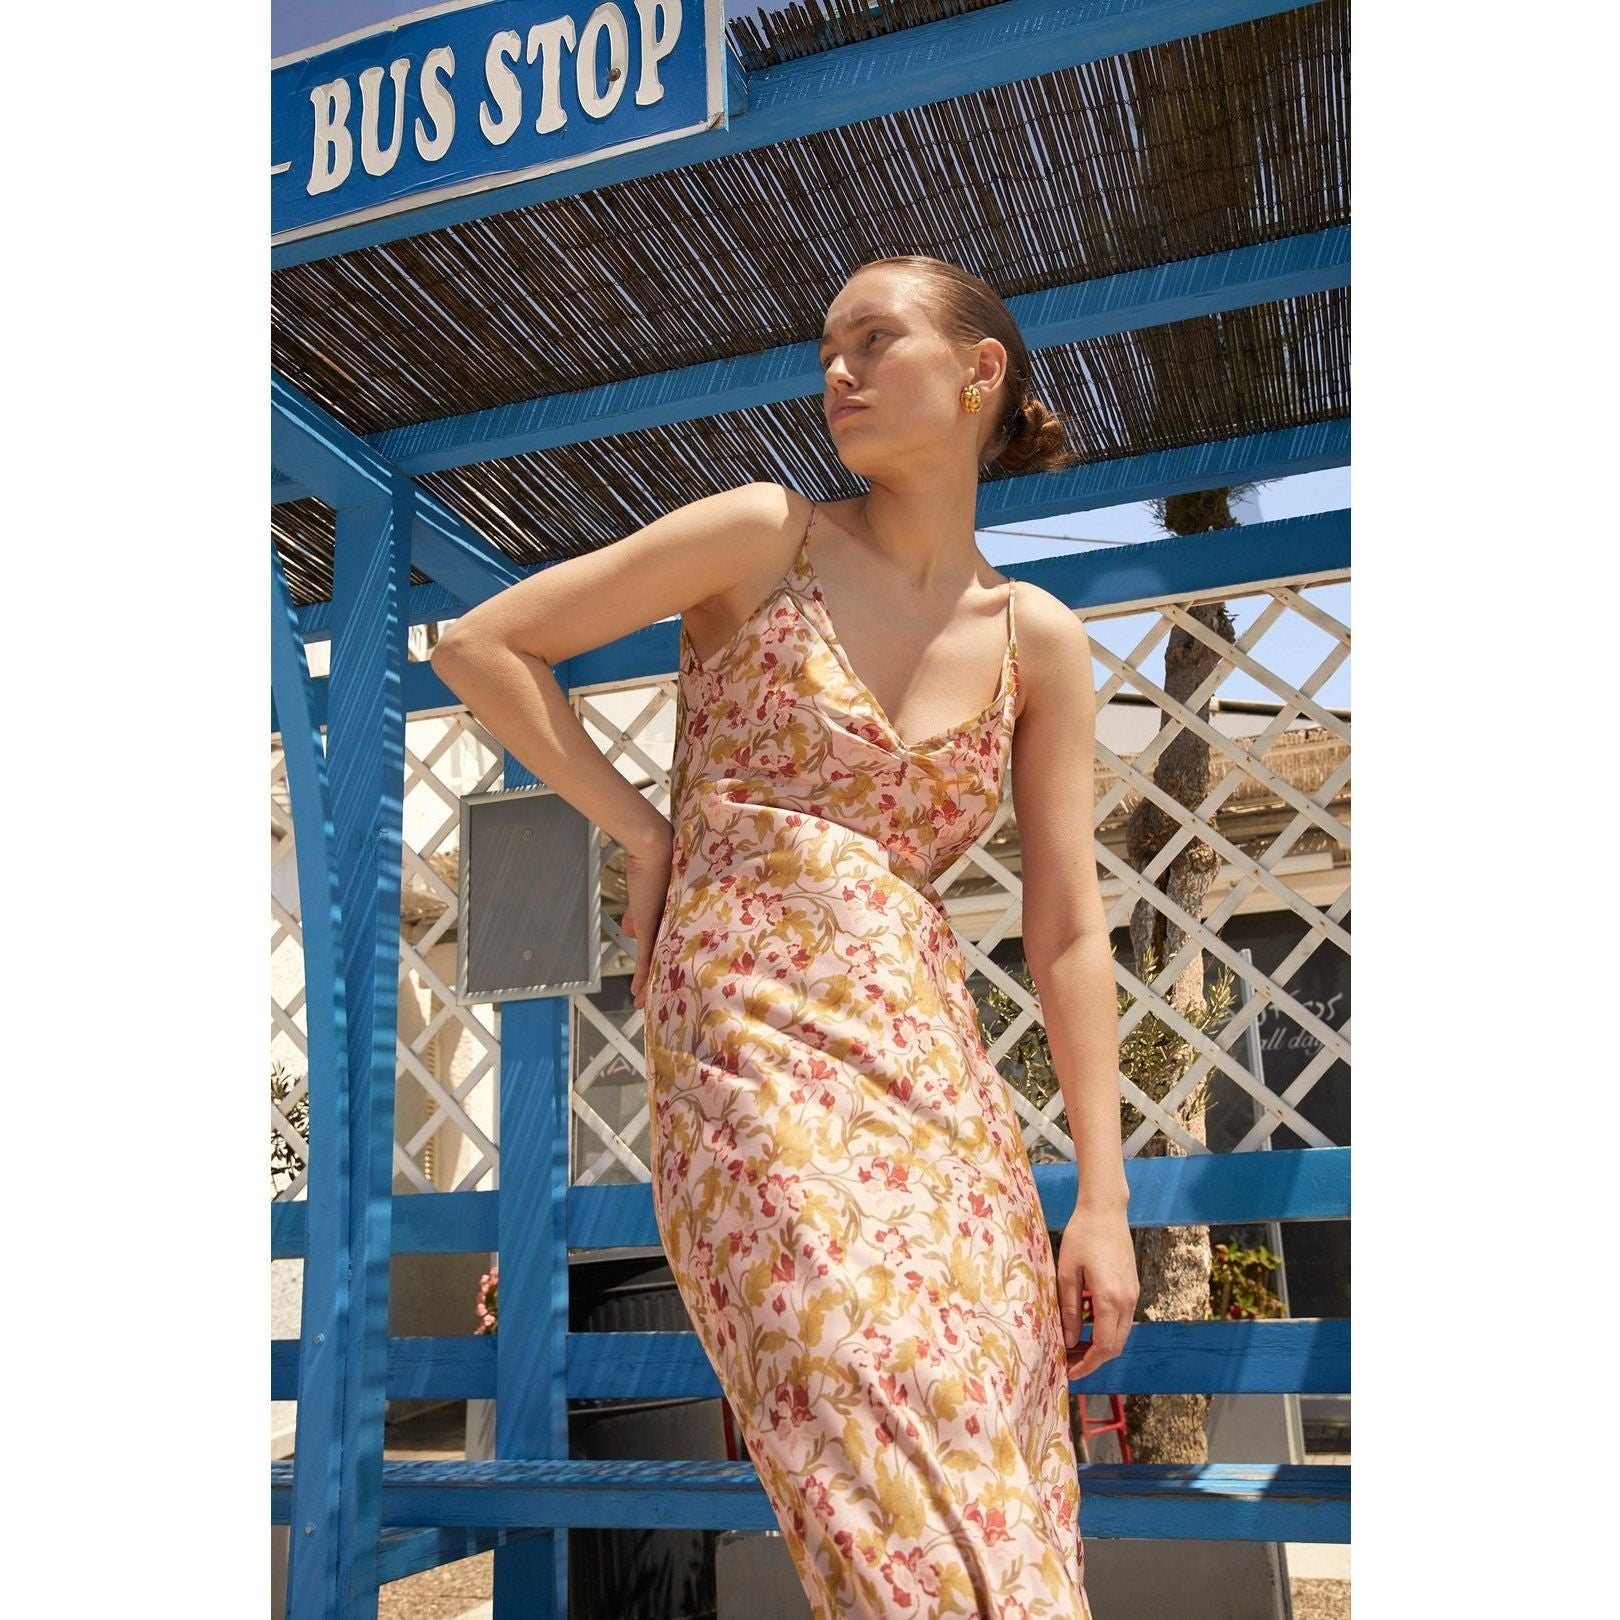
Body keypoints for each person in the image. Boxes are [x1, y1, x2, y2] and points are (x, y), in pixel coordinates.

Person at [431, 255, 1137, 1618]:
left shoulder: (1035, 639)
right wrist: (652, 833)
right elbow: (481, 644)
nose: (838, 373)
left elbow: (1065, 932)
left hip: (940, 1094)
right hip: (755, 1067)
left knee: (997, 1449)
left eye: (876, 340)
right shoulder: (769, 535)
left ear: (980, 372)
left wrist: (1099, 1201)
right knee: (870, 1426)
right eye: (829, 347)